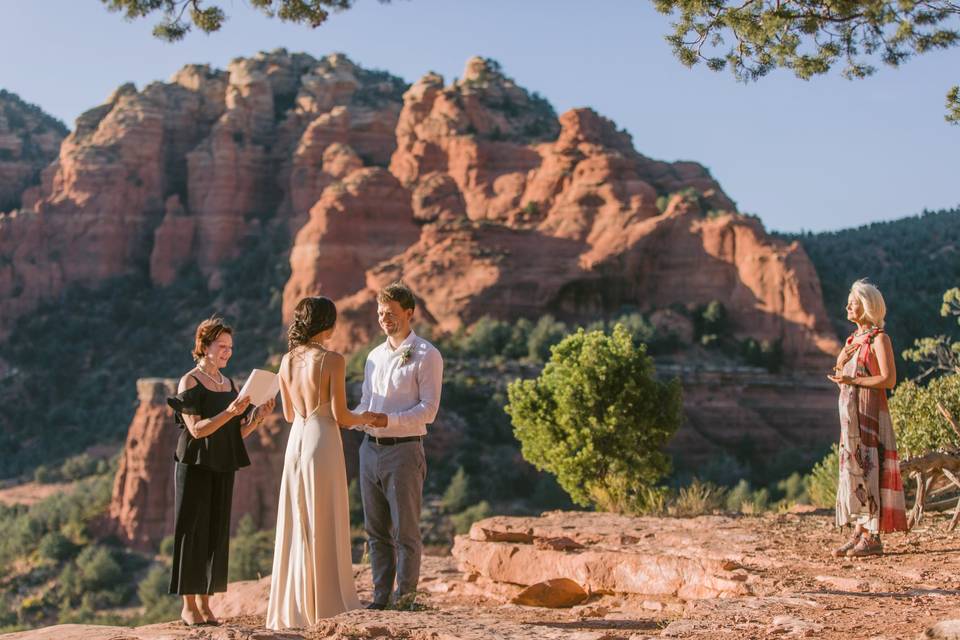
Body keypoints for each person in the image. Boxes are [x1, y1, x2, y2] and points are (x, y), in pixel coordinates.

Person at [266, 297, 386, 630]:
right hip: (322, 438)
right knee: (324, 514)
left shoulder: (285, 360)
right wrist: (370, 419)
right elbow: (342, 417)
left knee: (298, 515)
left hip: (297, 438)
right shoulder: (332, 359)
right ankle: (326, 602)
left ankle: (296, 607)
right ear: (328, 325)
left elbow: (289, 414)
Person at [167, 317, 274, 625]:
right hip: (194, 464)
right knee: (192, 531)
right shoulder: (190, 381)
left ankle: (205, 604)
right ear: (204, 345)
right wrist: (230, 412)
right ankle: (189, 606)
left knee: (215, 531)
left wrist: (255, 419)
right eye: (222, 346)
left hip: (222, 463)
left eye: (230, 347)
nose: (228, 352)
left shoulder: (229, 385)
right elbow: (197, 430)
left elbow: (233, 434)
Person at [355, 281, 443, 609]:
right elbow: (366, 400)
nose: (384, 319)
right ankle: (380, 599)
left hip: (404, 450)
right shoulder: (374, 356)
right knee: (375, 531)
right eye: (380, 313)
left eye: (390, 313)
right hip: (369, 449)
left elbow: (429, 410)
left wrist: (386, 421)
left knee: (405, 532)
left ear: (409, 313)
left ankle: (404, 599)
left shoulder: (427, 354)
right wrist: (352, 418)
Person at [828, 279, 908, 557]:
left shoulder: (879, 339)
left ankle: (873, 537)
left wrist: (853, 380)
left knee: (871, 467)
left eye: (854, 302)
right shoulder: (853, 340)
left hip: (871, 414)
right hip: (852, 417)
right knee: (856, 470)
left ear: (867, 306)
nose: (848, 306)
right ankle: (860, 530)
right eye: (849, 301)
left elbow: (889, 379)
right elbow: (841, 371)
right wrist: (842, 365)